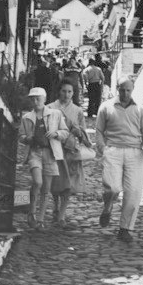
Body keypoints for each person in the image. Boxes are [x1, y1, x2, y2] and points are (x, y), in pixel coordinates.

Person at [95, 75, 143, 243]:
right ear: (117, 89)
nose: (125, 93)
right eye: (122, 90)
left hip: (135, 152)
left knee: (133, 191)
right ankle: (108, 206)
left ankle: (125, 228)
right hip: (113, 150)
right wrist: (102, 148)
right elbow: (99, 130)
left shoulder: (140, 110)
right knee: (112, 188)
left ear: (132, 90)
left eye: (128, 90)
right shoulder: (106, 107)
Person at [19, 87, 69, 230]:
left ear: (44, 99)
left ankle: (40, 219)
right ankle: (31, 212)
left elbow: (65, 132)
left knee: (46, 188)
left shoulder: (56, 114)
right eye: (32, 99)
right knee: (37, 181)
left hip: (51, 154)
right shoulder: (27, 117)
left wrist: (56, 134)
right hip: (35, 152)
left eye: (38, 99)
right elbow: (21, 137)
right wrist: (27, 138)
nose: (35, 102)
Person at [48, 79, 92, 227]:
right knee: (55, 181)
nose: (67, 94)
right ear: (58, 91)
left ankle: (61, 214)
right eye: (64, 91)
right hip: (54, 149)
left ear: (73, 93)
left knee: (68, 183)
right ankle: (55, 205)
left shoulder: (78, 111)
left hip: (70, 150)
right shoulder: (50, 107)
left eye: (70, 92)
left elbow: (83, 133)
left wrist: (79, 132)